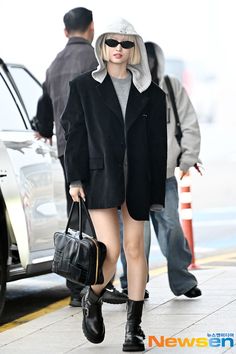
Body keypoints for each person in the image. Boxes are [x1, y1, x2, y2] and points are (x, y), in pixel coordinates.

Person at [61, 19, 167, 352]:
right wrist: (75, 178)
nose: (118, 49)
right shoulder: (83, 87)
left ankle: (133, 329)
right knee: (111, 249)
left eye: (125, 43)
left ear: (134, 48)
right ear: (102, 46)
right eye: (112, 43)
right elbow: (73, 134)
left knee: (136, 249)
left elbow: (158, 146)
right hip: (100, 176)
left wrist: (157, 193)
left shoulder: (151, 93)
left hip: (138, 180)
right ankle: (92, 297)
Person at [33, 7, 126, 307]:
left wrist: (44, 129)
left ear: (65, 31)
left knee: (78, 219)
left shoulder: (54, 63)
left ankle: (77, 287)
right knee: (104, 217)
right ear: (91, 29)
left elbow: (44, 103)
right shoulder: (94, 59)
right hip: (96, 150)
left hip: (66, 151)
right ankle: (100, 282)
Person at [120, 41, 202, 299]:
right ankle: (132, 284)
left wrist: (188, 157)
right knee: (135, 236)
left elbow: (188, 121)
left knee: (173, 230)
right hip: (131, 177)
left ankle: (183, 281)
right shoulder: (124, 89)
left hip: (163, 176)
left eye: (151, 61)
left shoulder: (170, 87)